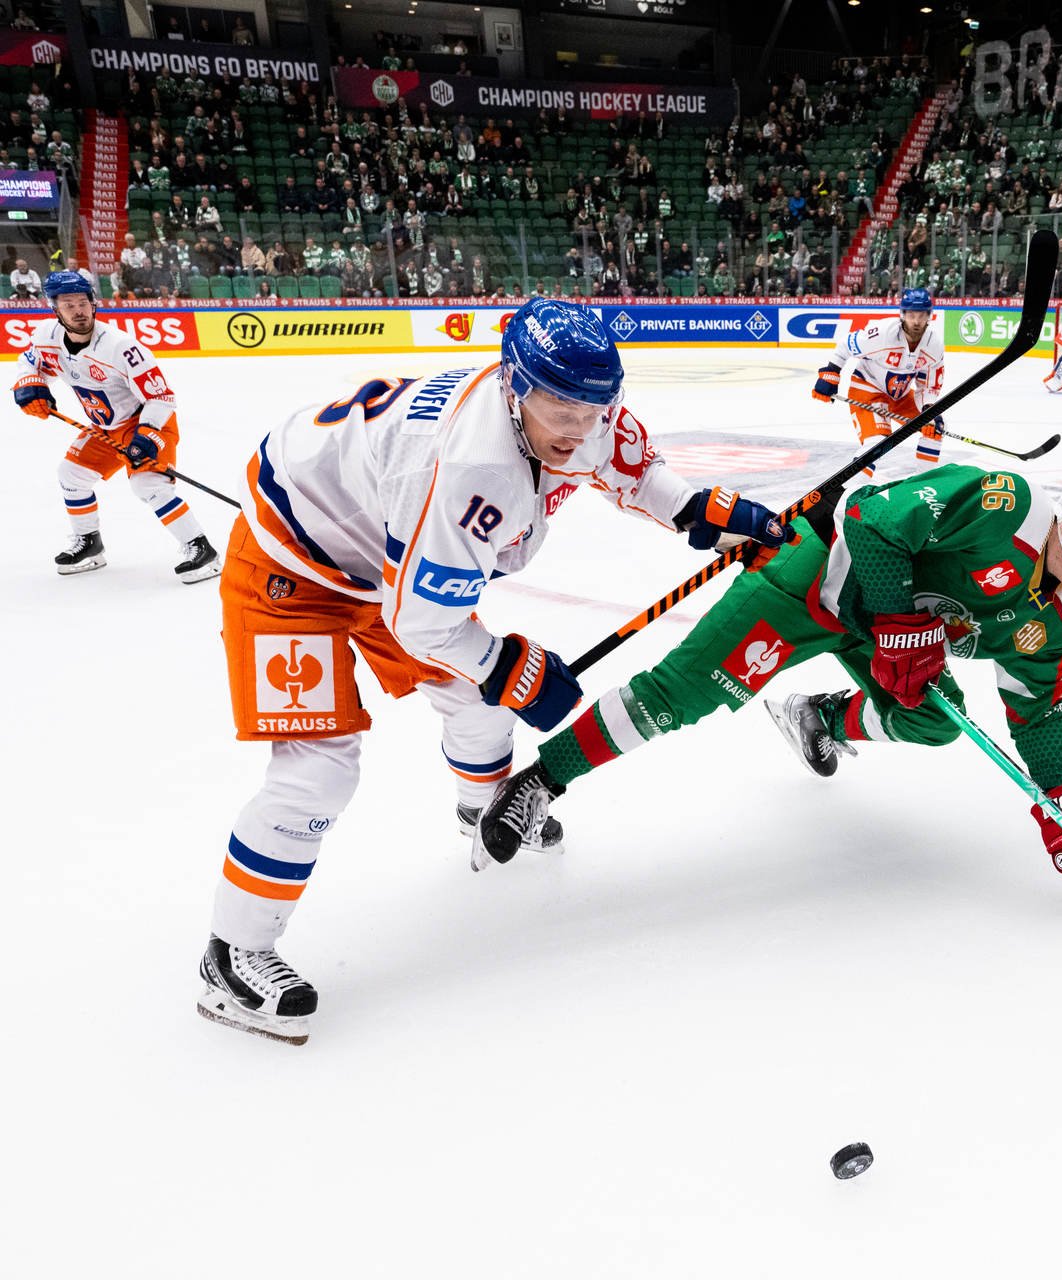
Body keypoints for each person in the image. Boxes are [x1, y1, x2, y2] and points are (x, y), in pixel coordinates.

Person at [194, 299, 791, 1045]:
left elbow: (639, 475)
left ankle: (482, 811)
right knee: (321, 769)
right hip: (294, 574)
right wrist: (512, 667)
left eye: (594, 408)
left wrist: (714, 514)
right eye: (558, 407)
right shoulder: (475, 468)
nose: (577, 427)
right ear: (515, 385)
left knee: (481, 700)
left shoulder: (582, 409)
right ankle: (232, 954)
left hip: (387, 559)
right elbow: (424, 623)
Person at [473, 465, 1062, 891]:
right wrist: (902, 625)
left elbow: (1037, 713)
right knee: (674, 697)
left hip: (884, 635)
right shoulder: (1004, 503)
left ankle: (818, 718)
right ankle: (540, 780)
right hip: (815, 581)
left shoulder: (1061, 619)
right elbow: (869, 519)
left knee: (935, 717)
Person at [11, 270, 220, 581]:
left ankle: (201, 549)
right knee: (71, 475)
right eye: (68, 305)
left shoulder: (121, 348)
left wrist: (146, 436)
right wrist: (29, 384)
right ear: (55, 309)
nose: (78, 310)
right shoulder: (46, 337)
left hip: (147, 420)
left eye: (83, 302)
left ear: (94, 304)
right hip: (105, 425)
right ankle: (90, 545)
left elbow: (161, 396)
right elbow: (29, 361)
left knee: (148, 485)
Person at [812, 288, 947, 480]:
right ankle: (849, 490)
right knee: (877, 443)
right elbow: (845, 344)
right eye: (911, 315)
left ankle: (924, 484)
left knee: (934, 429)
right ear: (903, 314)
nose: (916, 321)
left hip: (900, 395)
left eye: (921, 315)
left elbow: (929, 386)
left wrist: (929, 410)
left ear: (929, 316)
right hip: (867, 389)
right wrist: (832, 372)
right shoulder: (883, 334)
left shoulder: (934, 345)